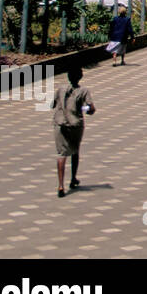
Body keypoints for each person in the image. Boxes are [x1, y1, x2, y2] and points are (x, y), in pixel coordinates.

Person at [51, 67, 95, 198]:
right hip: (75, 124)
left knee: (61, 154)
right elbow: (91, 109)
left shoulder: (60, 89)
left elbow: (53, 104)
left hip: (60, 123)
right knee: (75, 151)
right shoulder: (83, 91)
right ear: (80, 77)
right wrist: (83, 108)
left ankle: (60, 185)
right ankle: (73, 178)